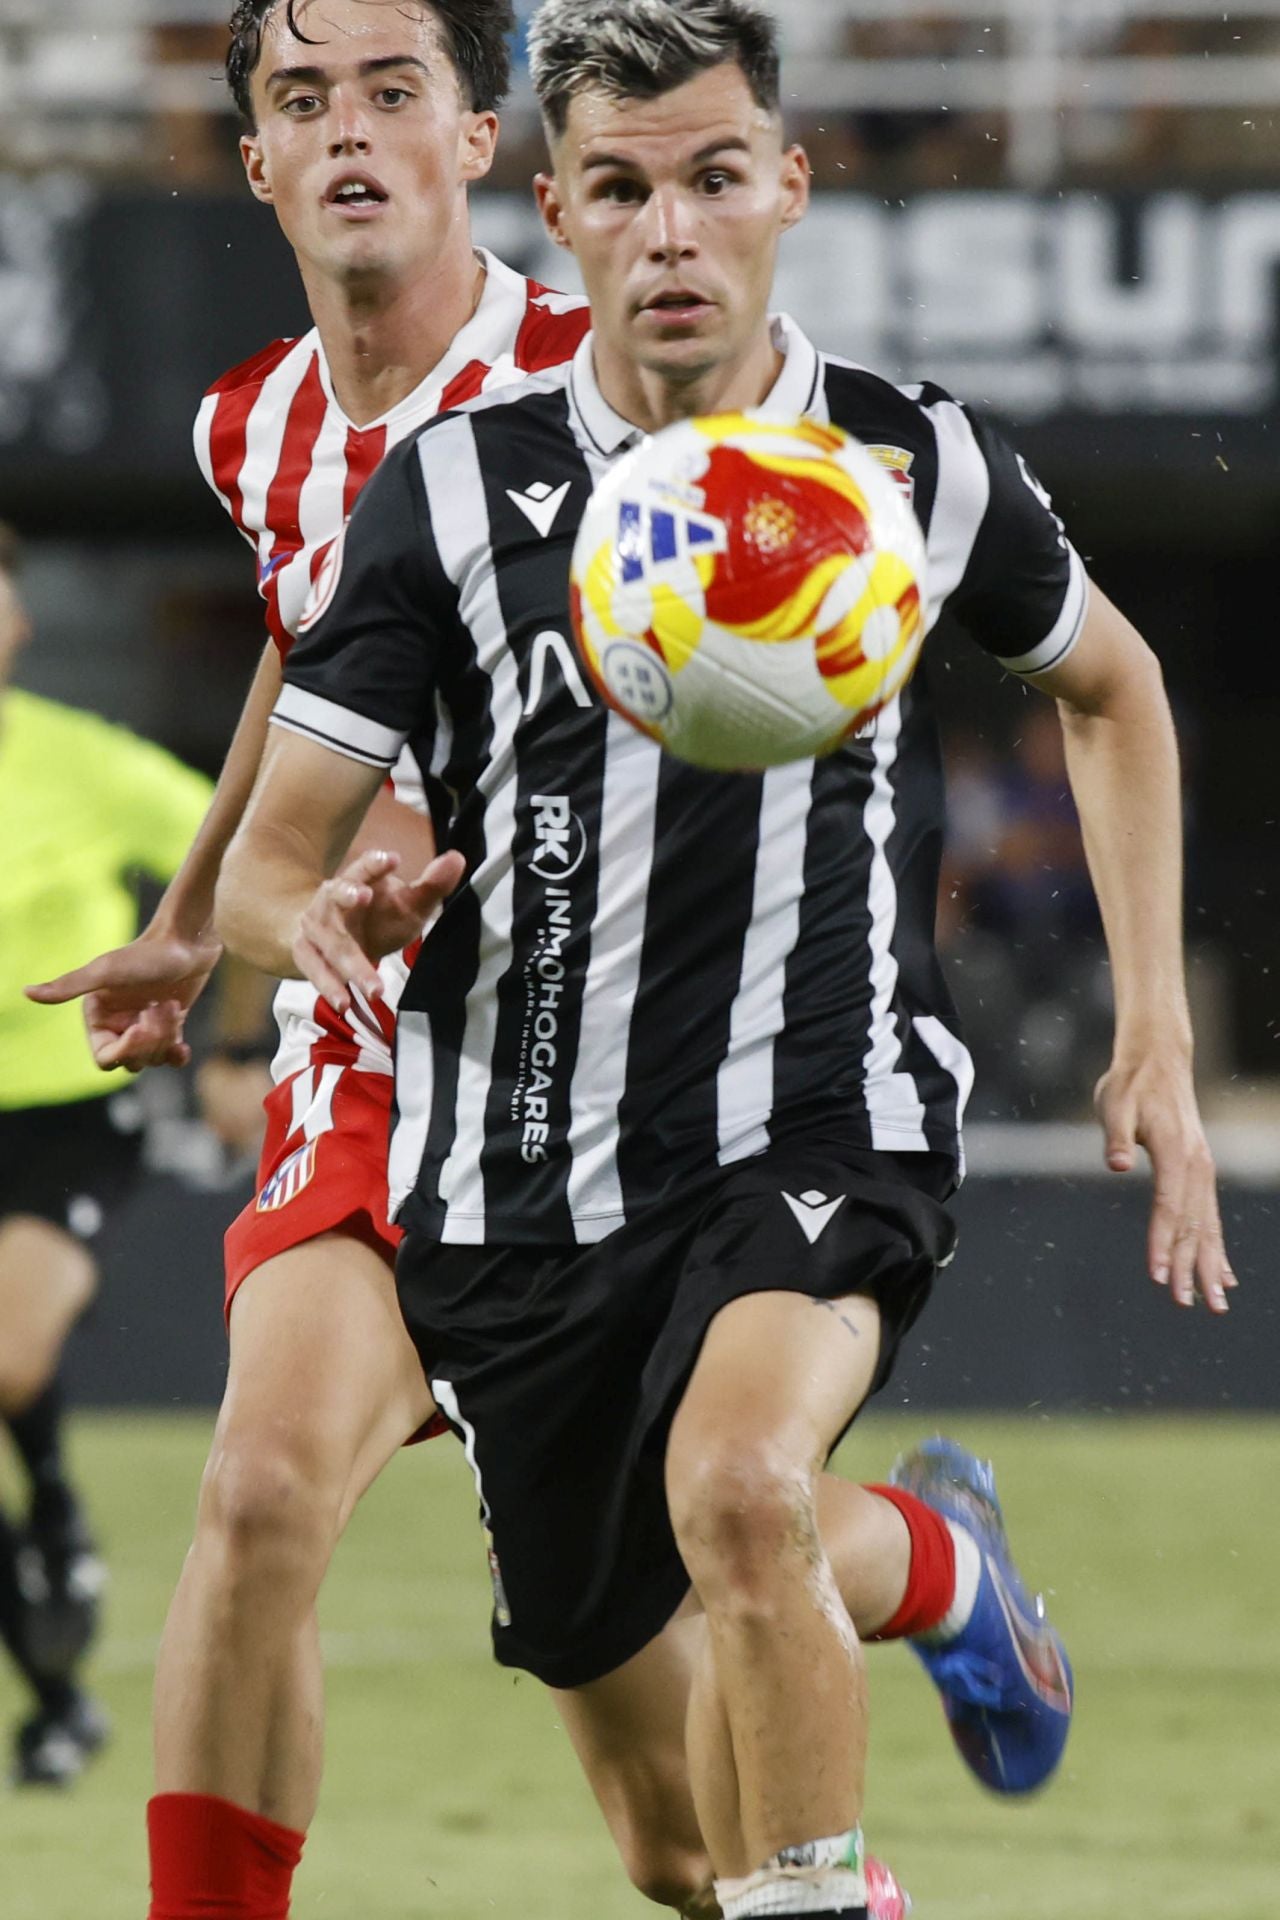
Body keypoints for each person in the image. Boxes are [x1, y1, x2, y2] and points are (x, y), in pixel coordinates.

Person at [215, 2, 1236, 1914]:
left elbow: (1117, 688)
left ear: (789, 184)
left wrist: (1154, 1031)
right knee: (675, 1848)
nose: (671, 229)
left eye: (710, 177)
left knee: (742, 1487)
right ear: (557, 212)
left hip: (820, 1124)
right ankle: (937, 1561)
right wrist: (319, 925)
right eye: (621, 187)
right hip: (516, 1197)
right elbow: (272, 867)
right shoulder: (446, 497)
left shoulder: (908, 467)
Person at [0, 525, 214, 1783]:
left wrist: (239, 1053)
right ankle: (58, 1693)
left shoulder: (84, 766)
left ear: (20, 626)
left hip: (60, 1119)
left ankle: (57, 1512)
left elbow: (239, 872)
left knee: (12, 1352)